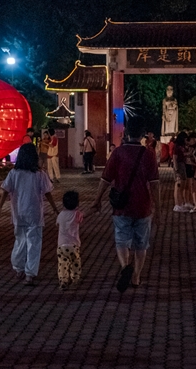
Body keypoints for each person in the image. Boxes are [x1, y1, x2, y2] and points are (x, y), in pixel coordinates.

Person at [93, 118, 160, 291]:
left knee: (121, 240)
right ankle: (136, 276)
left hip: (121, 206)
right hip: (143, 205)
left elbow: (105, 179)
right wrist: (158, 207)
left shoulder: (118, 153)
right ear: (143, 135)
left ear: (126, 132)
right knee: (141, 243)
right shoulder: (149, 154)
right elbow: (154, 183)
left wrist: (97, 200)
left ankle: (125, 267)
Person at [0, 143, 59, 286]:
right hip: (34, 213)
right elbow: (48, 193)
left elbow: (5, 191)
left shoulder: (14, 173)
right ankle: (30, 274)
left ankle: (18, 268)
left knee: (20, 241)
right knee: (34, 243)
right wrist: (55, 210)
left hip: (18, 213)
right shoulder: (39, 174)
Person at [56, 190, 83, 289]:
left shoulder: (61, 215)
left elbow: (57, 224)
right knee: (75, 262)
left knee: (62, 264)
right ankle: (75, 279)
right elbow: (83, 217)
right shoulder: (77, 214)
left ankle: (63, 280)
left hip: (61, 245)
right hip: (74, 244)